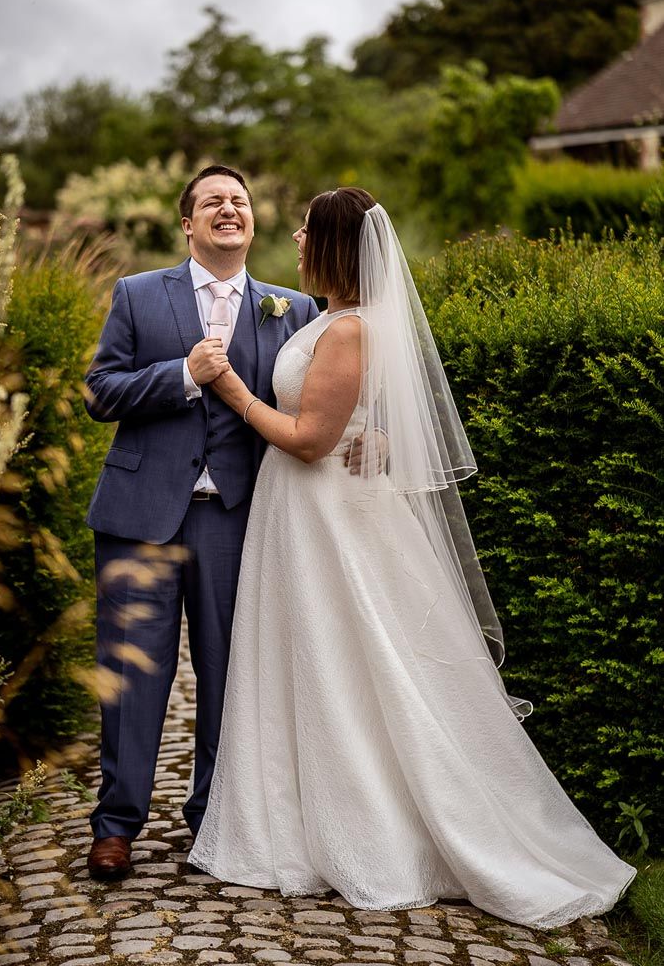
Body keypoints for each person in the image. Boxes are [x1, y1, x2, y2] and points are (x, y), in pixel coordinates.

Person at [187, 187, 636, 927]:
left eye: (307, 232)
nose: (295, 240)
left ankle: (378, 833)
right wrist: (383, 437)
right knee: (316, 661)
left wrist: (230, 387)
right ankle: (295, 821)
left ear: (334, 245)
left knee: (351, 664)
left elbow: (309, 439)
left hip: (330, 518)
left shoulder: (351, 330)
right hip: (305, 514)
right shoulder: (330, 318)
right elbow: (372, 418)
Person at [83, 165, 324, 880]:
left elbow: (312, 408)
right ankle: (116, 826)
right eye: (212, 201)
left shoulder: (294, 308)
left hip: (238, 518)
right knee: (132, 679)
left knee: (232, 677)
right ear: (187, 223)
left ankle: (214, 823)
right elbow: (100, 391)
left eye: (240, 201)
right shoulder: (136, 294)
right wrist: (182, 375)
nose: (228, 209)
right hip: (139, 518)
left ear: (251, 223)